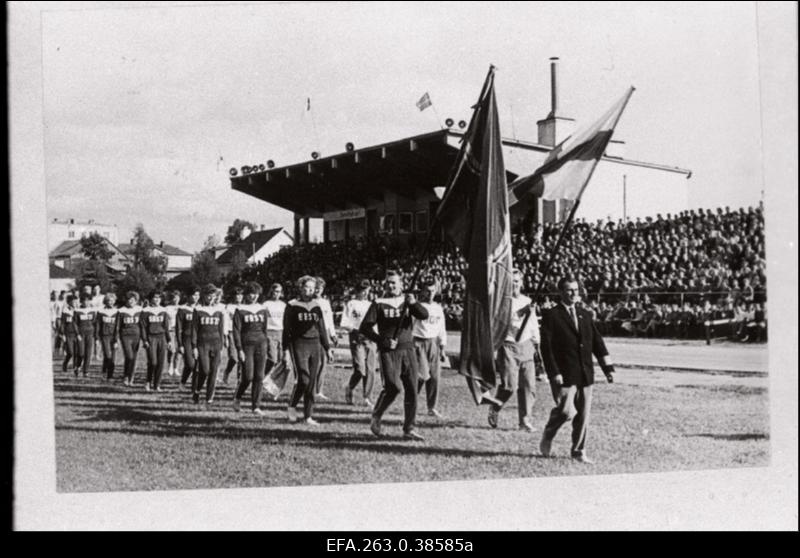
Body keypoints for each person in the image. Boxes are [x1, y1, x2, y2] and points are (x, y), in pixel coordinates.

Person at [538, 275, 615, 464]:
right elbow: (546, 349)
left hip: (585, 373)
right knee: (565, 412)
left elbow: (597, 342)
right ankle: (548, 434)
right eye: (569, 290)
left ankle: (578, 451)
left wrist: (608, 368)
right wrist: (553, 372)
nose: (573, 293)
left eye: (576, 290)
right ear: (560, 292)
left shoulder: (585, 314)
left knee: (583, 415)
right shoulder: (552, 315)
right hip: (564, 374)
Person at [359, 270, 429, 441]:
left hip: (408, 349)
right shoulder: (379, 302)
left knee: (412, 389)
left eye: (394, 282)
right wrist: (382, 340)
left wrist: (413, 304)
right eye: (388, 283)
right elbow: (365, 327)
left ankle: (409, 429)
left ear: (401, 284)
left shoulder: (407, 300)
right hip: (389, 351)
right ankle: (377, 414)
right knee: (393, 387)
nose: (391, 285)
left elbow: (424, 315)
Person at [485, 269, 540, 432]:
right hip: (508, 345)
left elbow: (532, 324)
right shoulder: (502, 301)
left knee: (529, 386)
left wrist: (536, 342)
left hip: (526, 344)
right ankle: (495, 407)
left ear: (522, 283)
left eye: (517, 281)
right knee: (509, 386)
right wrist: (523, 311)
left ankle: (525, 420)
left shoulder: (528, 300)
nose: (514, 284)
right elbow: (506, 322)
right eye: (512, 281)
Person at [283, 275, 334, 425]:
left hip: (315, 345)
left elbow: (322, 328)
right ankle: (292, 406)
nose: (309, 291)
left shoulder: (316, 306)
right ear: (300, 287)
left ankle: (308, 416)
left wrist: (328, 348)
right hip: (298, 344)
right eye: (307, 287)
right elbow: (286, 330)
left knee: (311, 382)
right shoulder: (292, 305)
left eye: (312, 288)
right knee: (303, 379)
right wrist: (285, 350)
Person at [412, 277, 447, 419]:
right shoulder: (417, 306)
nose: (430, 294)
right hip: (419, 342)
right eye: (427, 291)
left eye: (433, 291)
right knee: (421, 376)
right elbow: (411, 326)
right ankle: (411, 404)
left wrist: (442, 348)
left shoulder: (438, 308)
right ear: (423, 291)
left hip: (433, 344)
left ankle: (431, 407)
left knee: (434, 377)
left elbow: (441, 329)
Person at [232, 282, 269, 416]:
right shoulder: (240, 310)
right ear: (246, 295)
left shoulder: (263, 309)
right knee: (248, 376)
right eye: (251, 293)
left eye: (256, 294)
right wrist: (239, 349)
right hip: (246, 345)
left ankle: (256, 406)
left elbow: (264, 328)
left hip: (261, 344)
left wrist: (266, 343)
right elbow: (236, 331)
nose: (253, 296)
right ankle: (237, 397)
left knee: (259, 376)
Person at [341, 279, 378, 409]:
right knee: (360, 369)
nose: (365, 293)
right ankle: (350, 387)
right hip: (357, 337)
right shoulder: (351, 304)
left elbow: (376, 322)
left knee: (370, 369)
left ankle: (367, 397)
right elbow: (344, 322)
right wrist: (354, 330)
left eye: (367, 290)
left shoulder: (371, 304)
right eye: (362, 290)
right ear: (357, 290)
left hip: (371, 338)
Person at [191, 284, 226, 405]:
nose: (210, 297)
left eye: (213, 295)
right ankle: (197, 390)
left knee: (214, 371)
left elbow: (221, 329)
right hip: (203, 344)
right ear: (204, 296)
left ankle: (209, 397)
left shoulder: (219, 310)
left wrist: (221, 346)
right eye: (208, 295)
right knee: (205, 370)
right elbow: (194, 329)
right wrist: (194, 346)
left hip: (216, 343)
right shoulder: (198, 309)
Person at [139, 291, 172, 392]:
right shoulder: (145, 311)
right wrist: (144, 340)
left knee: (160, 363)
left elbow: (166, 327)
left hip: (161, 337)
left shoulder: (164, 311)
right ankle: (148, 381)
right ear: (151, 299)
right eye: (155, 297)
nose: (157, 299)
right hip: (151, 337)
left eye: (159, 298)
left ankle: (157, 385)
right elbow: (143, 327)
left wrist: (169, 340)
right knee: (153, 362)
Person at [262, 283, 289, 400]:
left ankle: (273, 386)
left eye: (278, 292)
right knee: (272, 359)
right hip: (270, 332)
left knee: (282, 361)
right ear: (271, 292)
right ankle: (262, 378)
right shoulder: (266, 304)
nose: (276, 294)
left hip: (281, 332)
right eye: (274, 291)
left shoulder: (283, 305)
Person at [313, 277, 337, 401]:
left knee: (323, 362)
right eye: (316, 287)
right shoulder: (309, 301)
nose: (318, 290)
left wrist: (332, 334)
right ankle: (309, 388)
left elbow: (329, 320)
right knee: (313, 362)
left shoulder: (325, 302)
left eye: (320, 287)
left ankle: (319, 390)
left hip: (325, 332)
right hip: (312, 332)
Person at [176, 286, 200, 390]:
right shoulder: (182, 310)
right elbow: (178, 328)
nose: (196, 297)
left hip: (199, 339)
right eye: (194, 295)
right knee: (190, 364)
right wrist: (180, 344)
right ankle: (183, 381)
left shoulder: (200, 308)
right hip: (187, 339)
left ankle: (194, 388)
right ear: (189, 296)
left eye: (198, 295)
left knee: (198, 365)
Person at [116, 291, 142, 386]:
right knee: (129, 356)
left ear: (136, 301)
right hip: (125, 336)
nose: (131, 302)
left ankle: (130, 377)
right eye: (129, 300)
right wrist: (116, 339)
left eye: (133, 300)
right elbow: (118, 326)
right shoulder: (121, 311)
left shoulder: (140, 310)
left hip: (136, 336)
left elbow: (142, 325)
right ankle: (126, 375)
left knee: (134, 358)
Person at [222, 286, 244, 384]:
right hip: (231, 333)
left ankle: (240, 378)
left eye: (240, 295)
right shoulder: (229, 307)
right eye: (237, 295)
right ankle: (227, 372)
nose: (238, 297)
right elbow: (225, 322)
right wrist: (225, 336)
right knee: (234, 357)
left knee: (242, 358)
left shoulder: (245, 307)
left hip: (243, 333)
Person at [74, 292, 98, 378]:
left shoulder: (93, 311)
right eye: (84, 301)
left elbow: (95, 323)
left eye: (88, 301)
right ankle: (78, 366)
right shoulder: (77, 311)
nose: (86, 302)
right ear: (81, 302)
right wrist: (77, 334)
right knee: (81, 353)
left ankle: (86, 371)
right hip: (81, 334)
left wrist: (96, 335)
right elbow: (75, 323)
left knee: (88, 353)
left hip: (90, 334)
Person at [95, 292, 119, 380]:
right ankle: (105, 372)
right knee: (107, 355)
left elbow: (117, 327)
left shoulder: (117, 311)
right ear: (106, 301)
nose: (111, 302)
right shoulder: (101, 312)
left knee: (112, 357)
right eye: (109, 300)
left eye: (112, 300)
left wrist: (116, 340)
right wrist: (97, 338)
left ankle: (109, 375)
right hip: (104, 336)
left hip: (113, 336)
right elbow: (98, 325)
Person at [58, 294, 79, 374]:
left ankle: (75, 368)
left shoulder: (78, 310)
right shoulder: (65, 311)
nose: (75, 303)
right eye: (73, 302)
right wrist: (62, 334)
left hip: (77, 334)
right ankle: (65, 364)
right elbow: (63, 323)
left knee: (77, 352)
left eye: (76, 301)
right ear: (69, 302)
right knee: (70, 352)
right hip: (68, 334)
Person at [164, 291, 181, 377]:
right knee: (172, 349)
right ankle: (170, 366)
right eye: (174, 298)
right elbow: (166, 321)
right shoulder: (167, 308)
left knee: (179, 350)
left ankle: (176, 368)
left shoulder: (181, 308)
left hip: (180, 331)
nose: (176, 300)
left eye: (177, 298)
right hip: (171, 330)